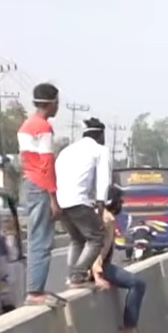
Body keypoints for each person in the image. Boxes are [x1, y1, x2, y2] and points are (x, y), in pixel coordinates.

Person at [18, 82, 61, 305]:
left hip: (29, 183)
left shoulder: (25, 125)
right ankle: (35, 292)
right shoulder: (43, 128)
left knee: (35, 236)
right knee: (43, 240)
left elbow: (23, 160)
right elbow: (47, 164)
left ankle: (34, 289)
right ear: (51, 103)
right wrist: (54, 197)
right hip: (41, 184)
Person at [55, 117, 111, 287]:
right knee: (96, 238)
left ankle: (71, 277)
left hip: (61, 202)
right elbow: (104, 180)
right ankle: (78, 274)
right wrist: (101, 205)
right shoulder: (100, 150)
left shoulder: (67, 151)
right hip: (79, 201)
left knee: (77, 239)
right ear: (100, 135)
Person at [90, 184, 146, 333]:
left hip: (95, 266)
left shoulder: (97, 215)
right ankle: (129, 328)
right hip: (97, 267)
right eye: (120, 201)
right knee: (138, 284)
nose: (121, 204)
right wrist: (97, 274)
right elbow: (97, 248)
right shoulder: (107, 219)